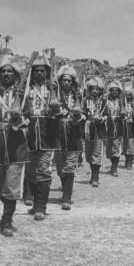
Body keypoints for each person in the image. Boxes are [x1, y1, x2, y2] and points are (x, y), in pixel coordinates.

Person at [0, 51, 29, 235]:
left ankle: (6, 221)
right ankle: (5, 210)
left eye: (10, 71)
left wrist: (20, 120)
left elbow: (29, 117)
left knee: (11, 187)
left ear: (15, 75)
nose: (6, 74)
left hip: (16, 145)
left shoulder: (23, 94)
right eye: (3, 71)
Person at [25, 53, 60, 220]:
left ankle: (41, 206)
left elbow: (63, 110)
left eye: (42, 70)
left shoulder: (55, 90)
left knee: (44, 171)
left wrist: (54, 110)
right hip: (29, 136)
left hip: (48, 135)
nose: (39, 73)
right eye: (36, 70)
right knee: (31, 172)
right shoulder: (26, 89)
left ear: (47, 72)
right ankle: (34, 202)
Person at [54, 65, 84, 209]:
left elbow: (85, 114)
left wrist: (78, 116)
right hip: (58, 136)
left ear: (73, 83)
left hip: (73, 135)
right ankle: (64, 187)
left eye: (69, 80)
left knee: (70, 168)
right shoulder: (54, 95)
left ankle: (67, 197)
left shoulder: (78, 96)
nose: (66, 83)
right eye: (63, 80)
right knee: (60, 169)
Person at [82, 77, 106, 186]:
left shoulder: (104, 101)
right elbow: (82, 112)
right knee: (88, 152)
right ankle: (92, 174)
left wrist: (103, 118)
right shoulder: (85, 100)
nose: (95, 91)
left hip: (99, 128)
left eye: (97, 89)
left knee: (97, 151)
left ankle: (95, 177)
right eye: (93, 89)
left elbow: (107, 114)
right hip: (88, 128)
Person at [104, 81, 124, 177]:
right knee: (108, 149)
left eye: (116, 90)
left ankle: (114, 168)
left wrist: (121, 115)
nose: (115, 92)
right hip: (108, 126)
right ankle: (112, 162)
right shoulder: (105, 101)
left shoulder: (121, 101)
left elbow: (124, 111)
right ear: (110, 91)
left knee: (116, 147)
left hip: (118, 125)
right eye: (113, 90)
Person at [121, 84, 134, 169]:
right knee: (125, 144)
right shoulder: (123, 104)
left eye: (130, 94)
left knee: (131, 144)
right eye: (127, 94)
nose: (128, 96)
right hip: (124, 126)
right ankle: (127, 159)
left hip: (133, 126)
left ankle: (129, 161)